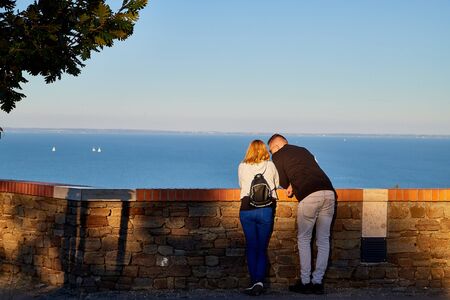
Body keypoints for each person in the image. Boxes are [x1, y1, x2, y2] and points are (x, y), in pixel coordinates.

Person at [267, 134, 336, 295]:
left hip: (309, 195)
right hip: (329, 192)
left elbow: (282, 181)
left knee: (304, 239)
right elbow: (310, 169)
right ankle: (317, 282)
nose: (272, 154)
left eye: (271, 151)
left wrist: (290, 185)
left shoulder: (278, 155)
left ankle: (305, 282)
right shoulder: (303, 150)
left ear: (276, 146)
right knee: (323, 240)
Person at [238, 139, 279, 296]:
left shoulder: (242, 166)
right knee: (262, 247)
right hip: (266, 209)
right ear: (264, 150)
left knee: (251, 246)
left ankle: (254, 281)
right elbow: (276, 183)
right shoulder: (270, 165)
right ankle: (260, 282)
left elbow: (241, 184)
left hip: (247, 209)